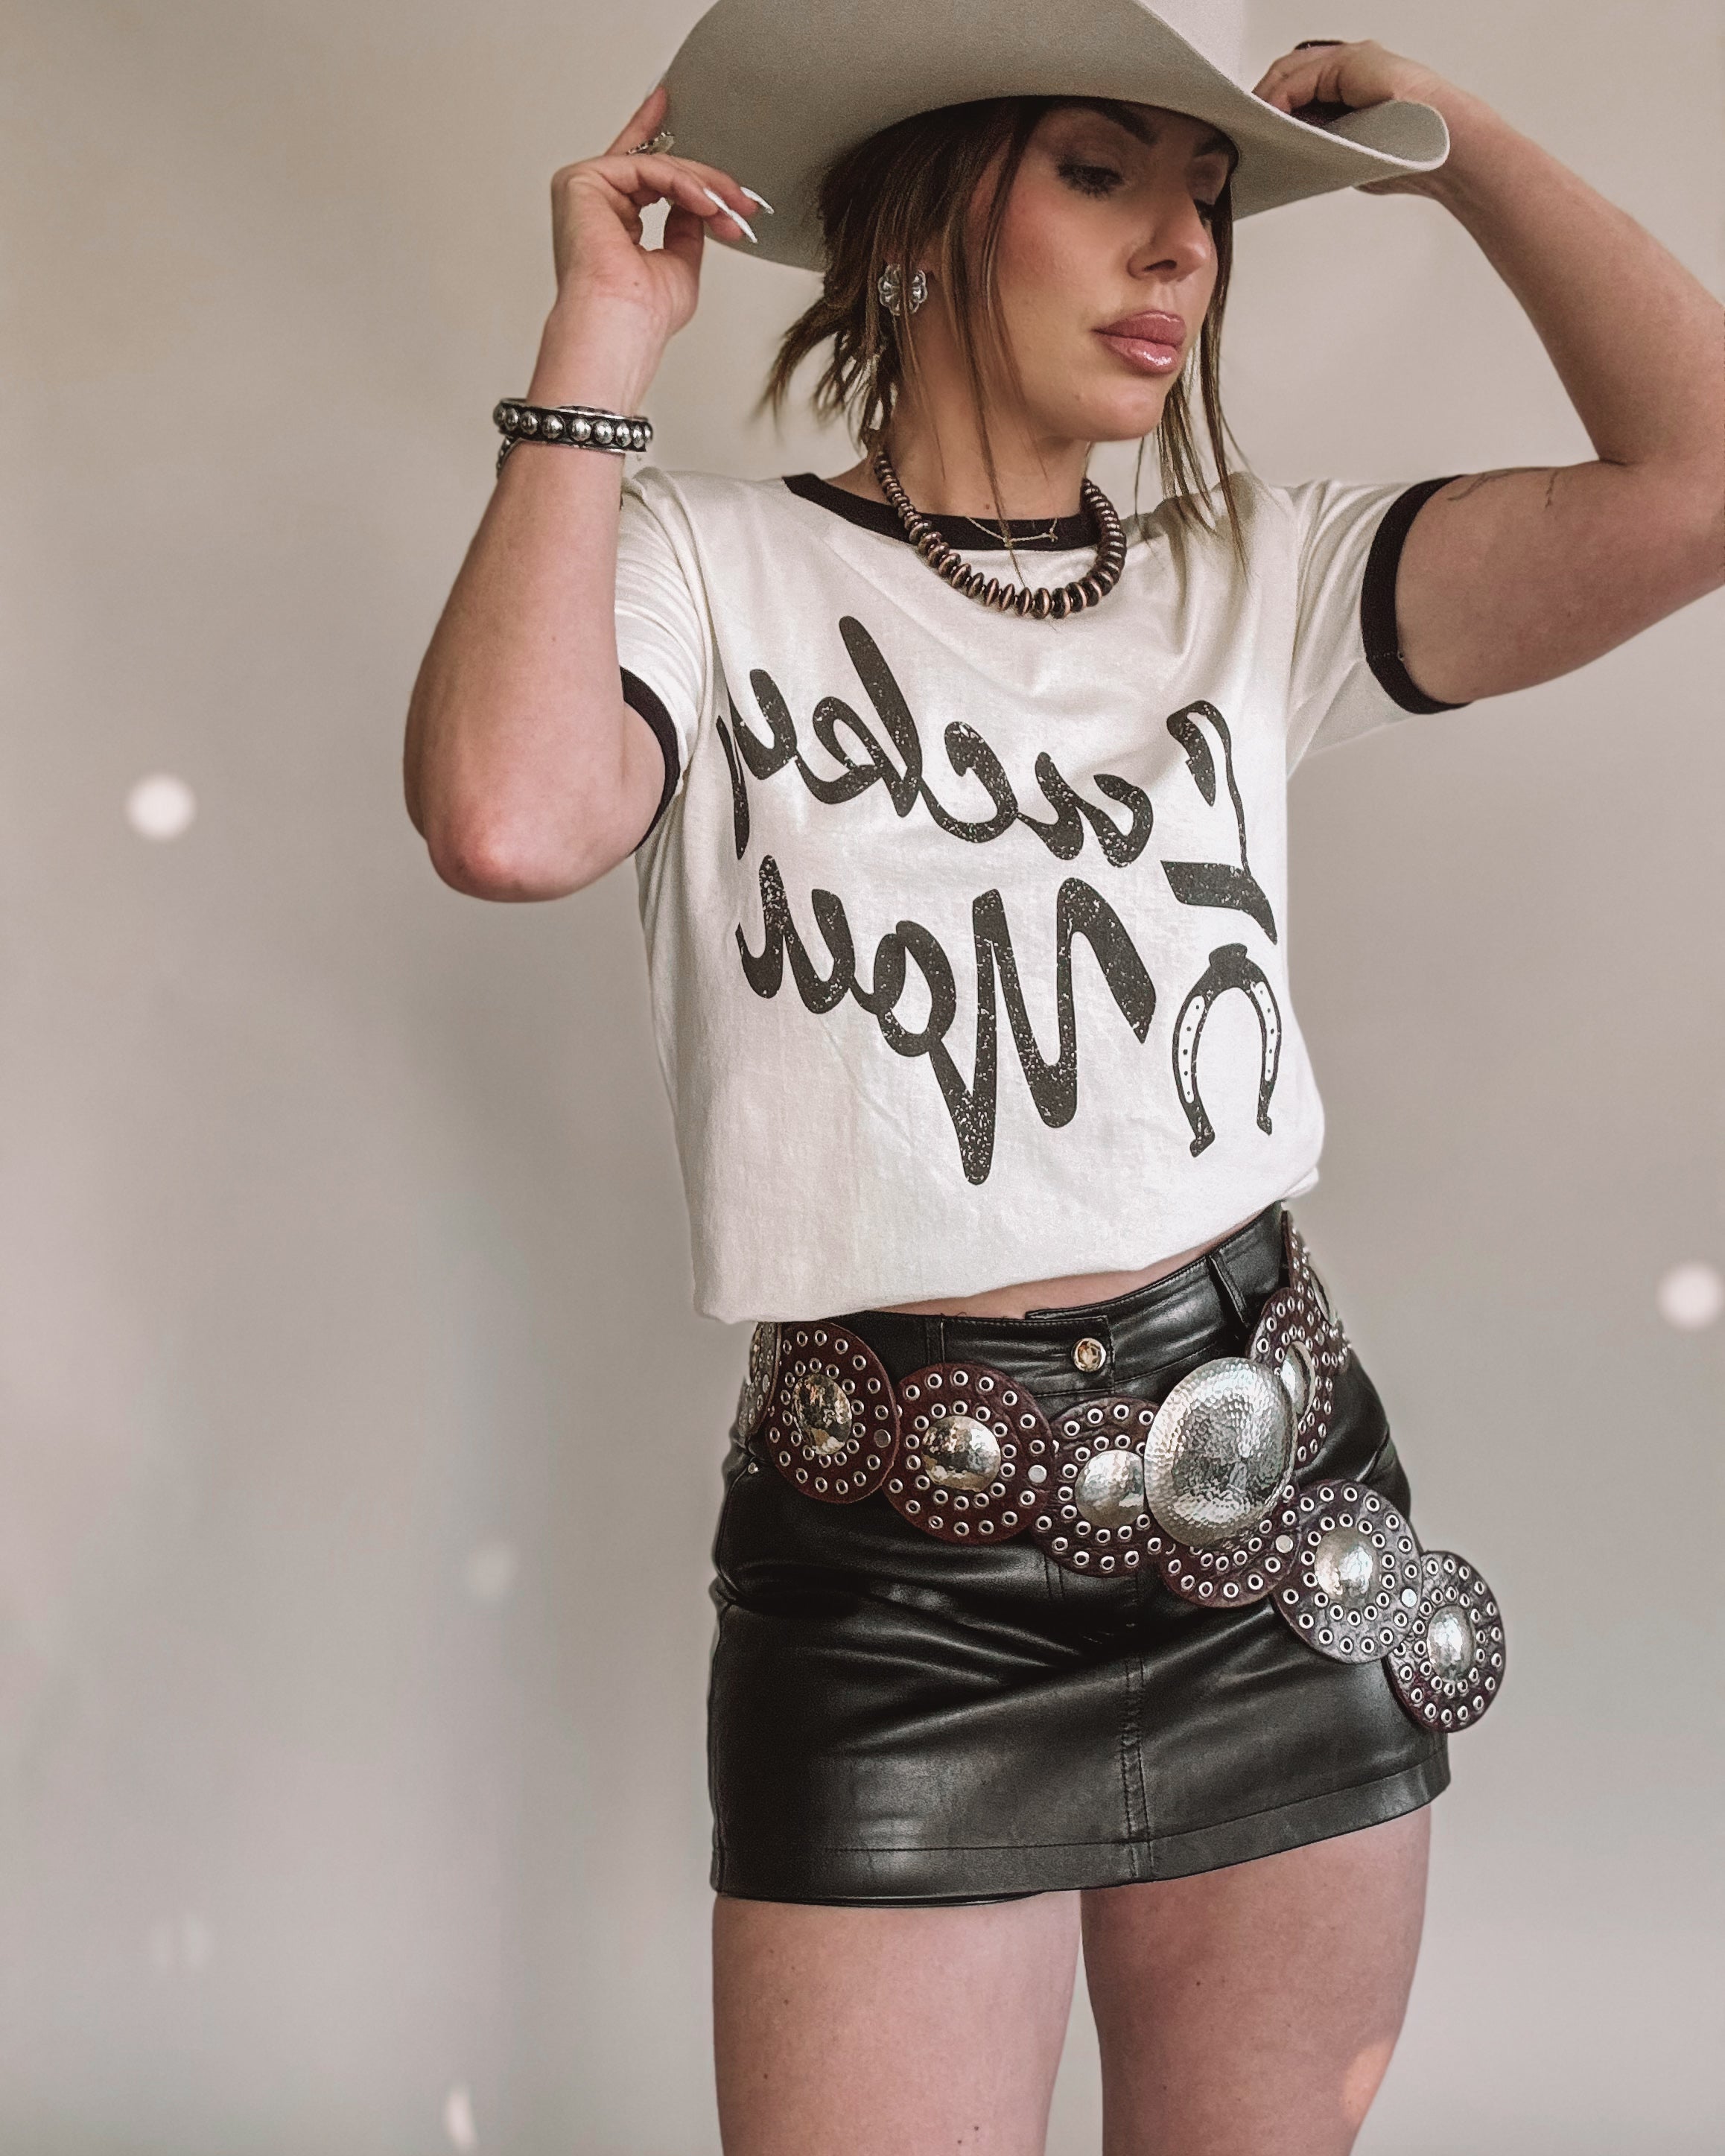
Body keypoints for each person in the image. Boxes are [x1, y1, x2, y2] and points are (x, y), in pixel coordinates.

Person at [402, 4, 1722, 2149]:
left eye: (1206, 201)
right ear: (922, 219)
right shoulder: (706, 571)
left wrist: (1447, 139)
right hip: (893, 1570)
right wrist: (599, 347)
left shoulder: (1252, 578)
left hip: (1271, 1515)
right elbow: (508, 819)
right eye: (1103, 173)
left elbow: (1703, 474)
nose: (1180, 251)